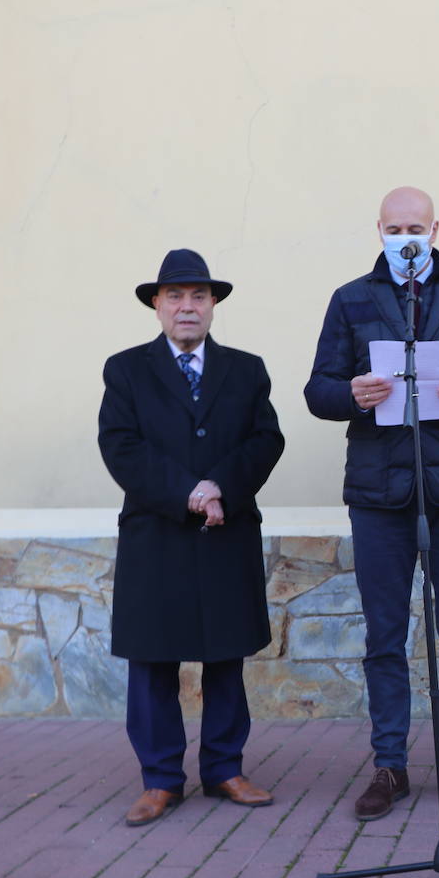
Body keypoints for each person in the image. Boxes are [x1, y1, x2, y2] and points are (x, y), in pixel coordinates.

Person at [304, 186, 439, 819]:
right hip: (379, 493)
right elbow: (318, 390)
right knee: (384, 636)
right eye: (395, 228)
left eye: (416, 227)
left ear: (435, 229)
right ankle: (389, 767)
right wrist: (353, 394)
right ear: (378, 232)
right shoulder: (351, 299)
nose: (407, 238)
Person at [98, 248, 285, 827]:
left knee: (225, 654)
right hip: (157, 534)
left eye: (198, 295)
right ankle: (160, 780)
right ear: (157, 304)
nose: (187, 306)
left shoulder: (247, 369)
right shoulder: (125, 369)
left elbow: (265, 440)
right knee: (153, 659)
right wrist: (187, 493)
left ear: (213, 304)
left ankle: (225, 768)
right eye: (175, 295)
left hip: (225, 532)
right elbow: (120, 446)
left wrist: (219, 488)